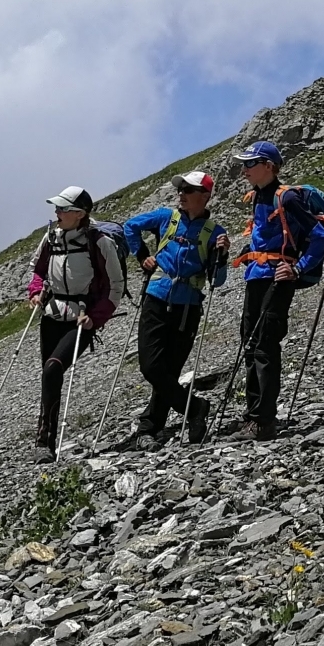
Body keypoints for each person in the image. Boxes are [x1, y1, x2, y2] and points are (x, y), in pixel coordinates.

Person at [120, 172, 229, 448]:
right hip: (157, 297)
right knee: (151, 366)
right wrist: (143, 256)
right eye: (180, 189)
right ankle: (195, 409)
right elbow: (130, 226)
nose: (180, 194)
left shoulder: (215, 233)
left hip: (188, 307)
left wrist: (222, 256)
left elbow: (218, 280)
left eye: (188, 190)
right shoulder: (166, 217)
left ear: (204, 196)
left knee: (168, 371)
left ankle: (149, 428)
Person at [230, 140, 324, 440]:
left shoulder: (285, 199)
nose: (244, 169)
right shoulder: (259, 197)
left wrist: (297, 268)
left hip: (277, 278)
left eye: (250, 164)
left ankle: (263, 421)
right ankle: (254, 415)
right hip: (257, 276)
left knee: (265, 346)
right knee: (251, 342)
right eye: (243, 164)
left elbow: (319, 235)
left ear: (269, 166)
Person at [25, 187, 127, 462]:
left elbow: (115, 285)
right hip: (51, 314)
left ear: (79, 213)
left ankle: (44, 442)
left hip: (82, 319)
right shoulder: (50, 237)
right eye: (57, 208)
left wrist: (97, 316)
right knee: (50, 376)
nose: (56, 212)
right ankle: (44, 442)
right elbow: (37, 269)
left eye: (62, 208)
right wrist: (35, 291)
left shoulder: (100, 242)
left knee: (52, 368)